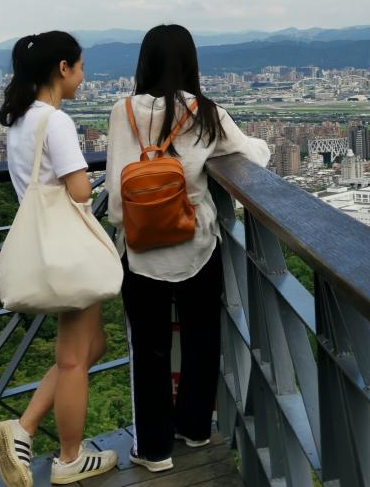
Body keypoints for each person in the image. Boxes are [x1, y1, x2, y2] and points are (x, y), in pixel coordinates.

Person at [106, 24, 270, 472]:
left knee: (150, 348)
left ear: (144, 62)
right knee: (202, 338)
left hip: (141, 249)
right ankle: (195, 428)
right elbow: (254, 157)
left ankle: (155, 449)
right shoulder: (204, 111)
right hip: (196, 240)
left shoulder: (123, 112)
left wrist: (130, 225)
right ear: (191, 62)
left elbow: (118, 198)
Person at [0, 31, 118, 487]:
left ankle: (22, 430)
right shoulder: (56, 122)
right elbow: (80, 189)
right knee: (72, 357)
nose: (83, 77)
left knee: (90, 347)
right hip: (69, 248)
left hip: (44, 245)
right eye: (80, 67)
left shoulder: (18, 120)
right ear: (62, 68)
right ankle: (68, 457)